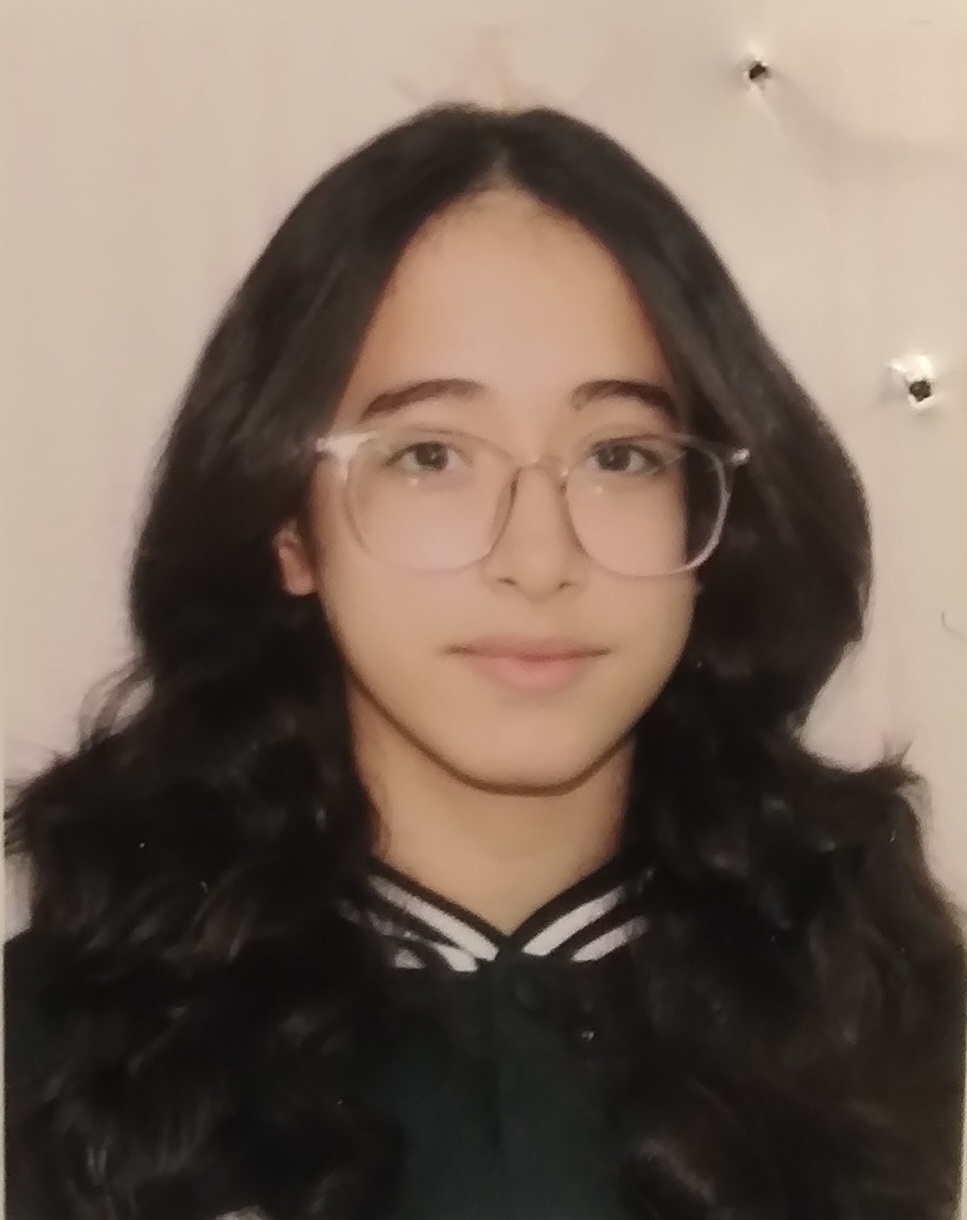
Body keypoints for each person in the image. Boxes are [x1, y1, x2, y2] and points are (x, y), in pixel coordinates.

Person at [4, 101, 965, 1220]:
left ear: (716, 519)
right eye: (429, 455)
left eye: (619, 454)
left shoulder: (895, 1026)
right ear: (287, 526)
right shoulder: (60, 1055)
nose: (538, 558)